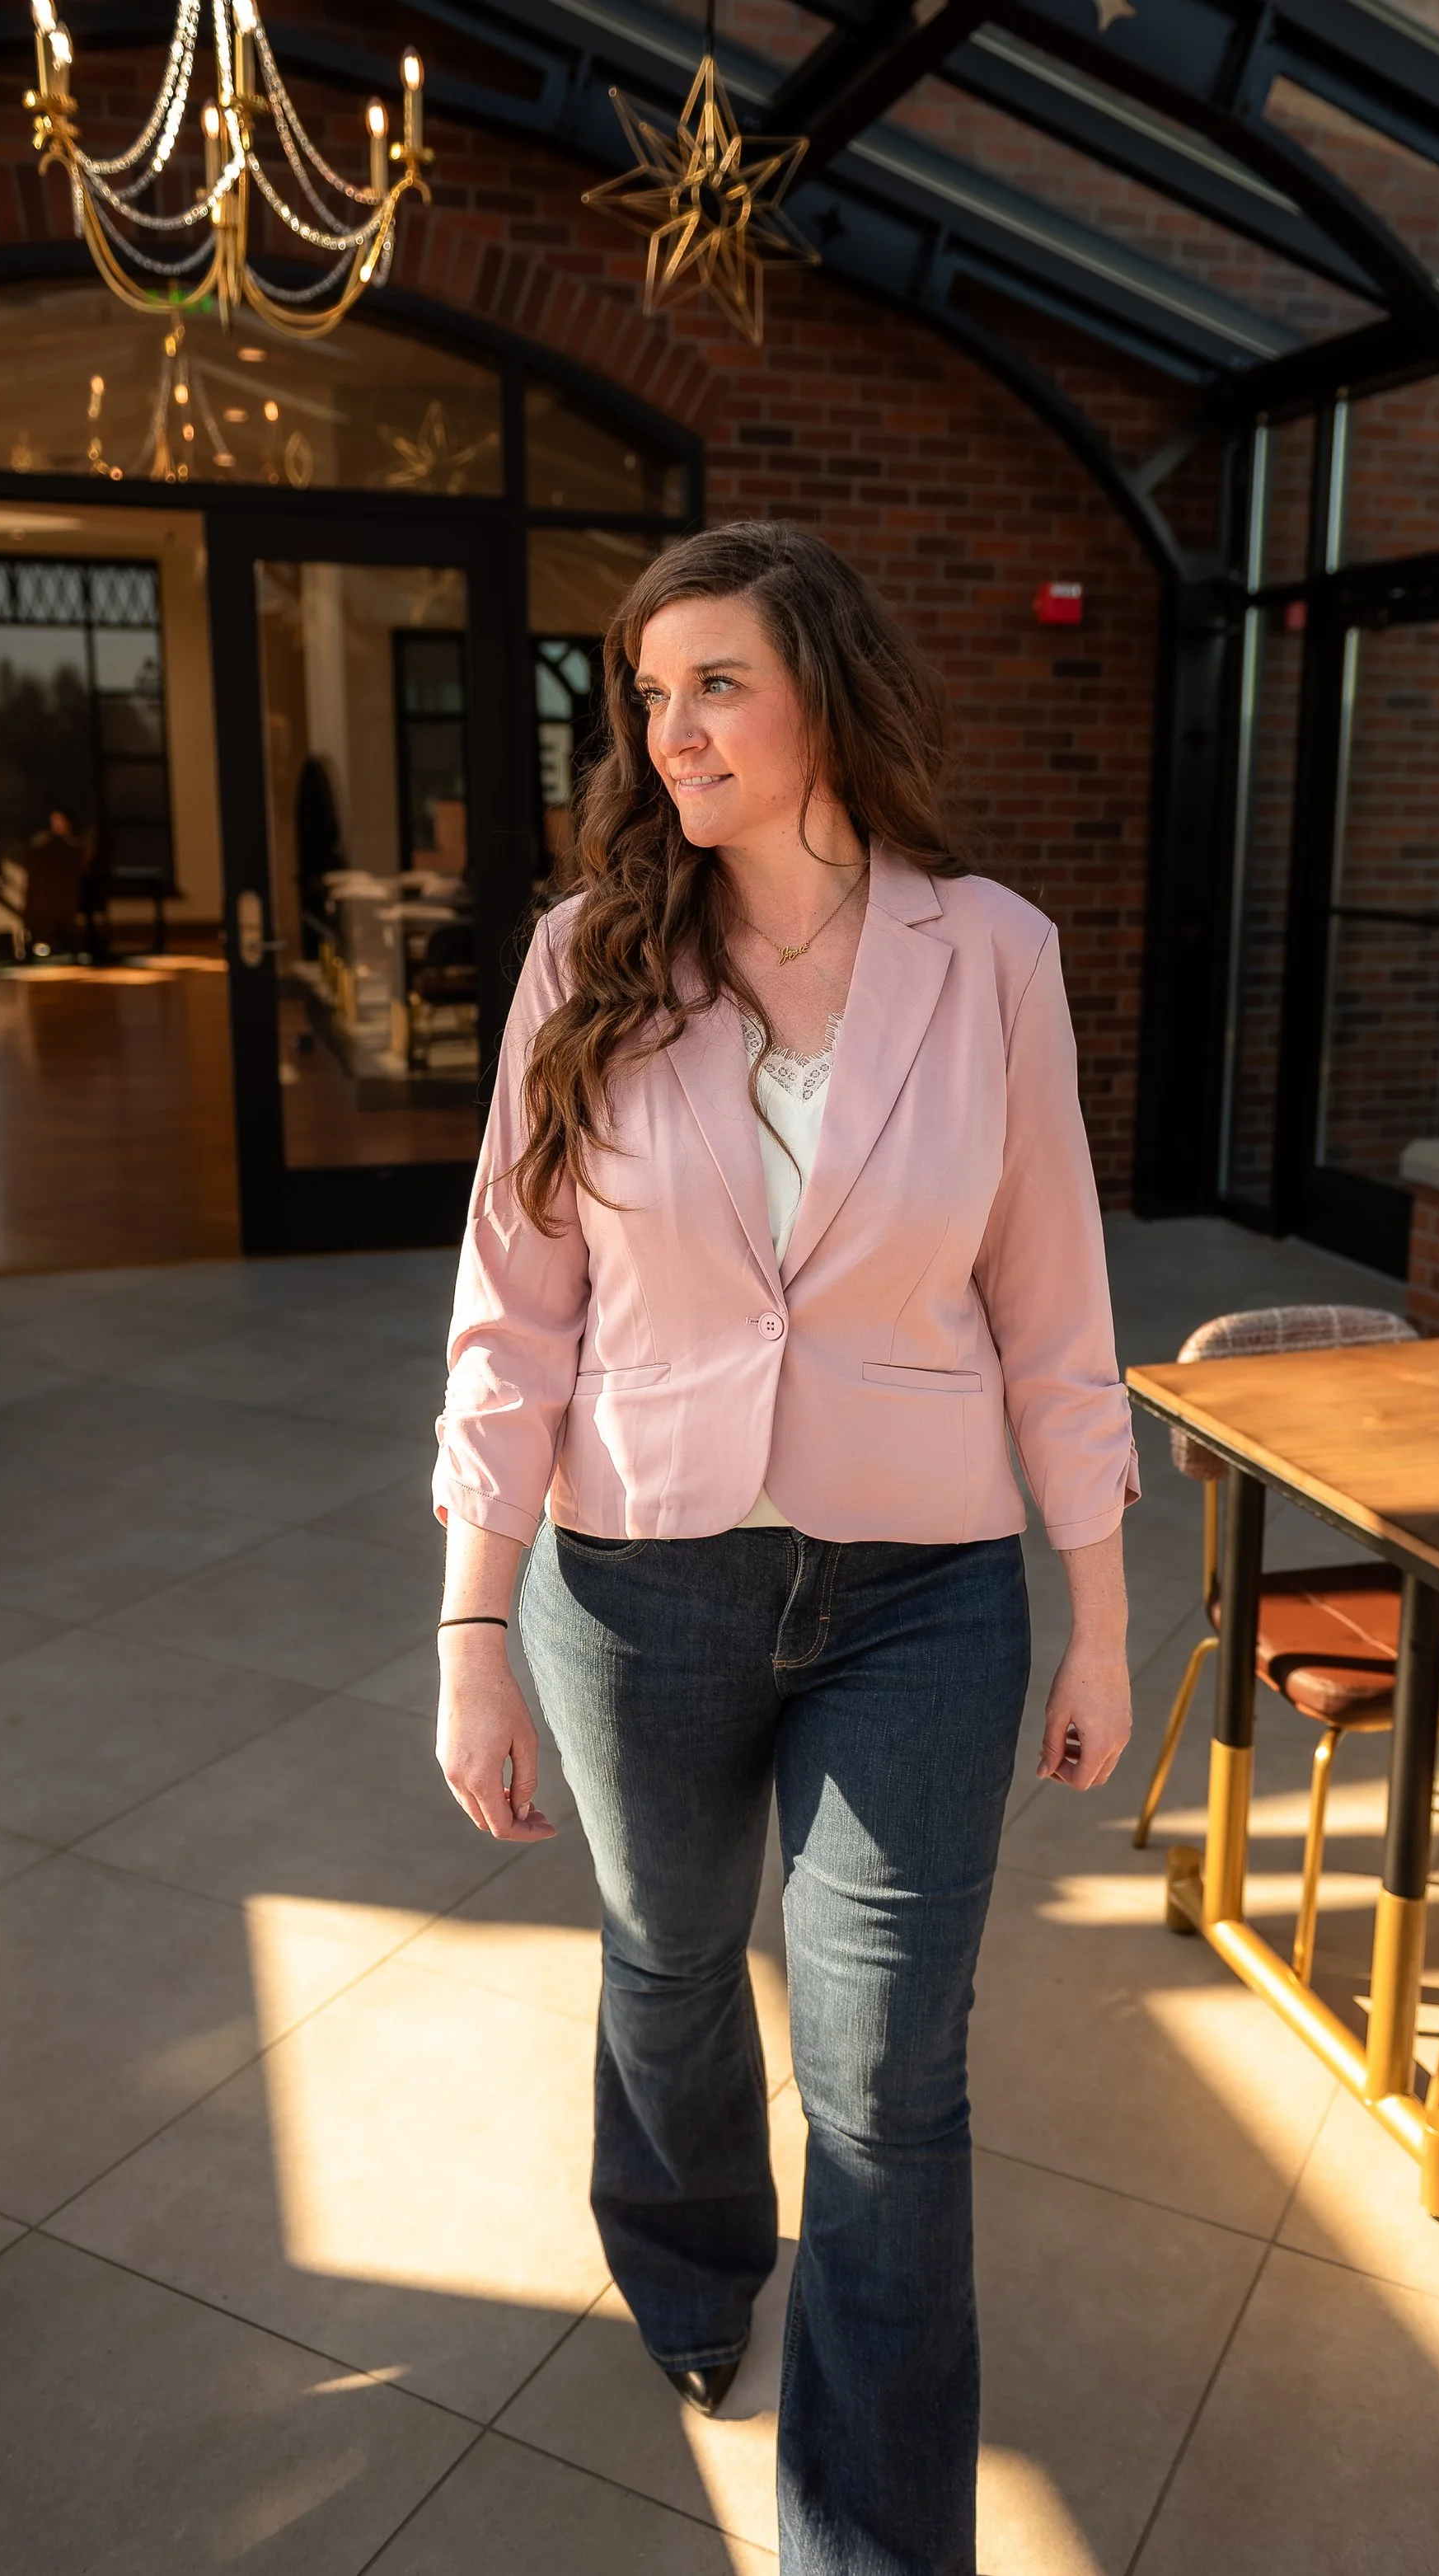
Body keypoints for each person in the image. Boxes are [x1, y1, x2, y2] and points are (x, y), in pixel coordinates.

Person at [431, 521, 1137, 2575]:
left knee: (889, 2072)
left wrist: (1097, 1616)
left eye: (713, 683)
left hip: (919, 1592)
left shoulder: (988, 950)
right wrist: (472, 1619)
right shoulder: (587, 956)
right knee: (664, 1960)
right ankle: (682, 2257)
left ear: (822, 687)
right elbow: (511, 1306)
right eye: (647, 697)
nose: (670, 731)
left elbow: (1053, 1301)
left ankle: (870, 2543)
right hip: (635, 1573)